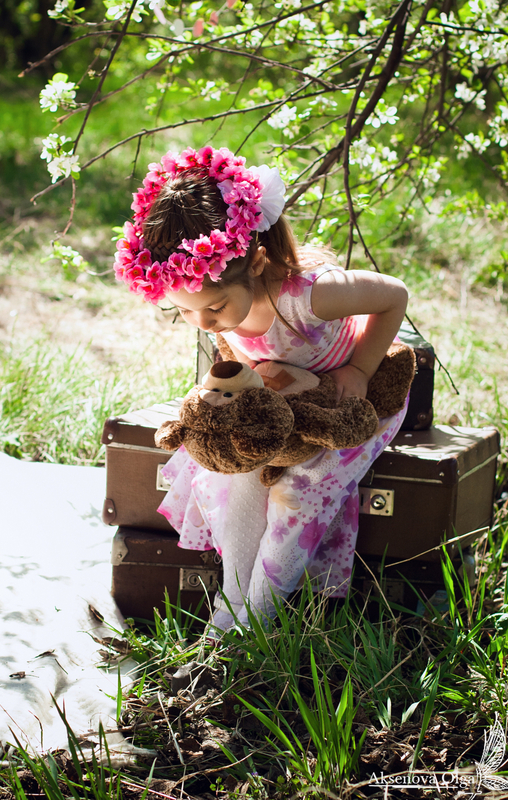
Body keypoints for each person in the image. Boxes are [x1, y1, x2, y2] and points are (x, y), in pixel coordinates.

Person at [114, 145, 408, 632]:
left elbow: (395, 295)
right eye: (184, 311)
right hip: (276, 407)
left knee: (297, 489)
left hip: (348, 403)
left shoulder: (312, 295)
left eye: (213, 308)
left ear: (254, 263)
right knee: (235, 475)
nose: (202, 322)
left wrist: (360, 368)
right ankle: (232, 605)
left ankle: (258, 617)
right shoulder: (218, 304)